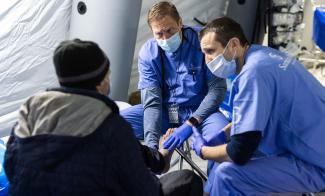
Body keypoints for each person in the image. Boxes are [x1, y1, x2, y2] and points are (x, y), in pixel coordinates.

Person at [4, 39, 203, 196]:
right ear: (100, 82)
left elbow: (11, 166)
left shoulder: (30, 110)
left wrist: (158, 157)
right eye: (107, 74)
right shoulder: (111, 126)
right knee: (187, 179)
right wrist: (160, 159)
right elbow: (147, 190)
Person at [190, 16, 325, 195]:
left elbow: (239, 152)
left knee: (227, 175)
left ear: (233, 45)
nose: (207, 60)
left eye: (210, 51)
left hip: (316, 163)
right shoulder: (266, 55)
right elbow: (259, 111)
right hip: (313, 141)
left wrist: (203, 150)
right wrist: (223, 135)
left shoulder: (252, 74)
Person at [121, 1, 228, 151]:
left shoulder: (203, 41)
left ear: (180, 23)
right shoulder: (148, 54)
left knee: (220, 137)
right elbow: (152, 103)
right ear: (152, 32)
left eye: (170, 31)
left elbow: (217, 89)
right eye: (159, 33)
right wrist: (152, 147)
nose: (165, 38)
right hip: (166, 111)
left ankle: (217, 175)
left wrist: (191, 122)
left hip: (202, 112)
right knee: (115, 126)